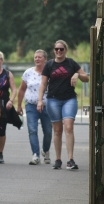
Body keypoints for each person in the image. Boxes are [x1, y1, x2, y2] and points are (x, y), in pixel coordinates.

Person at [37, 40, 89, 170]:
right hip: (53, 99)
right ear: (54, 51)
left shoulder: (71, 63)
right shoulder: (49, 65)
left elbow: (86, 77)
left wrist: (77, 74)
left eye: (61, 49)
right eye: (56, 49)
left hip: (69, 99)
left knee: (69, 127)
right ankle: (58, 159)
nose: (59, 51)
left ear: (65, 50)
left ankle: (70, 159)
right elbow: (43, 84)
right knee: (57, 130)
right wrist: (40, 100)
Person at [17, 50, 53, 165]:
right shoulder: (28, 72)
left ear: (45, 59)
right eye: (35, 57)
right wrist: (18, 105)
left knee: (48, 131)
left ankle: (46, 150)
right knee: (32, 130)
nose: (37, 59)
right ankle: (36, 155)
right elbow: (22, 89)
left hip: (47, 106)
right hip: (31, 105)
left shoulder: (50, 73)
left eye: (40, 57)